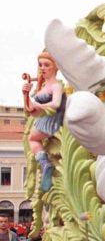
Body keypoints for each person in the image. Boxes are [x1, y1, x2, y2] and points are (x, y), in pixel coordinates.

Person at [22, 52, 66, 192]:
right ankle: (45, 164)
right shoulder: (43, 87)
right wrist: (25, 94)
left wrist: (39, 106)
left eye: (46, 65)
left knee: (33, 139)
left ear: (55, 67)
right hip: (43, 119)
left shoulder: (56, 86)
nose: (42, 68)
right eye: (40, 65)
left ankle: (45, 162)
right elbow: (31, 110)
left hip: (52, 121)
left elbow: (56, 103)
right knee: (32, 139)